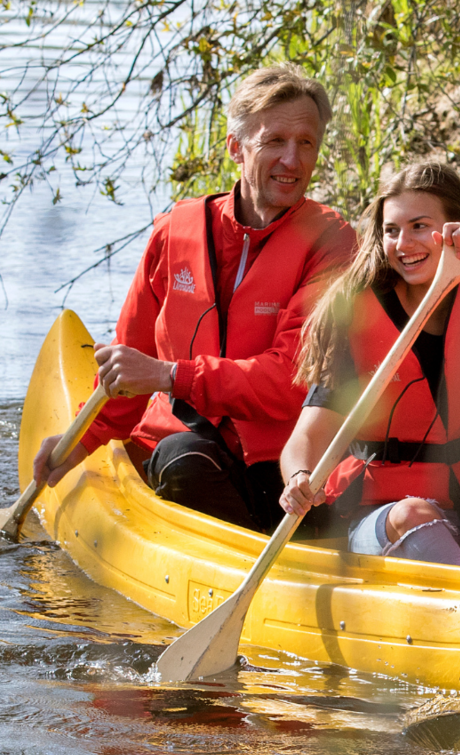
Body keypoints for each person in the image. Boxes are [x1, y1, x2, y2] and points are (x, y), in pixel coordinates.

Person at [30, 65, 357, 530]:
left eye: (306, 143)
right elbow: (130, 364)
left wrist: (169, 375)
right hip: (180, 448)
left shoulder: (334, 243)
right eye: (275, 141)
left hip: (280, 472)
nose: (292, 160)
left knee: (184, 459)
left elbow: (292, 380)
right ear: (236, 148)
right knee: (183, 456)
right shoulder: (174, 231)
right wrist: (80, 440)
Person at [276, 162, 460, 566]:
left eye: (418, 226)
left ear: (455, 227)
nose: (402, 243)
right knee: (415, 514)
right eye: (391, 230)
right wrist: (298, 477)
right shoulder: (358, 314)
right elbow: (307, 436)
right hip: (385, 514)